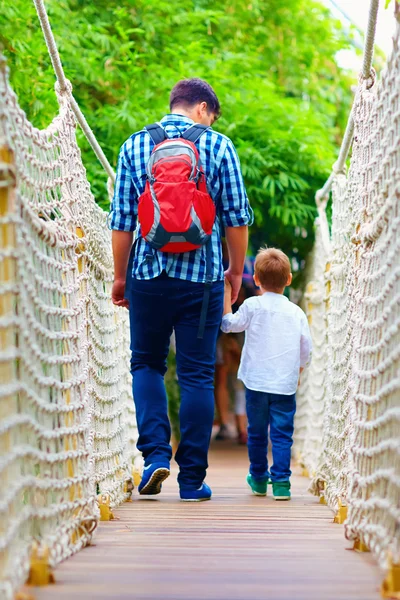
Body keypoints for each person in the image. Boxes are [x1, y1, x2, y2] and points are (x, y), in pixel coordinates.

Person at [110, 78, 252, 502]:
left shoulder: (135, 145)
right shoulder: (219, 146)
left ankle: (154, 456)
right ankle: (191, 480)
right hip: (203, 280)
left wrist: (121, 277)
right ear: (205, 108)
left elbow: (121, 222)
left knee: (147, 364)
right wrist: (234, 273)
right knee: (196, 374)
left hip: (148, 277)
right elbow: (236, 219)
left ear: (174, 104)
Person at [221, 247, 312, 500]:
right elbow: (306, 348)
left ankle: (259, 479)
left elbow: (228, 325)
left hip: (256, 383)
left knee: (258, 433)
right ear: (289, 279)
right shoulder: (297, 313)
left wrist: (227, 295)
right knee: (282, 435)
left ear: (257, 279)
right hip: (285, 384)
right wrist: (299, 371)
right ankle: (282, 483)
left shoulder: (252, 306)